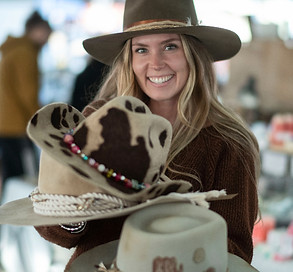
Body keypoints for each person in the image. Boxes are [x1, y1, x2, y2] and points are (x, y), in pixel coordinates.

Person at [35, 0, 260, 268]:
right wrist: (74, 210)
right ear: (129, 59)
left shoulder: (228, 143)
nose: (155, 63)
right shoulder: (99, 121)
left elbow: (234, 251)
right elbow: (55, 229)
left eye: (170, 46)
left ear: (193, 53)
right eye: (141, 49)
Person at [0, 11, 52, 195]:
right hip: (19, 125)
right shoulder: (25, 52)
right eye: (47, 33)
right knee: (25, 177)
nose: (48, 38)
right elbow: (28, 95)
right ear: (37, 30)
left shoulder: (14, 49)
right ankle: (17, 219)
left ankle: (8, 218)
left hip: (7, 122)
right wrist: (42, 122)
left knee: (11, 174)